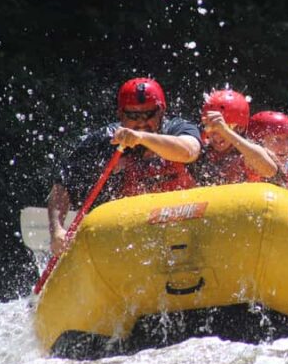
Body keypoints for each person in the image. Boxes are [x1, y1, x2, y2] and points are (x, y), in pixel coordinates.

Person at [48, 77, 202, 255]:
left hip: (185, 222)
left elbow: (189, 151)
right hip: (132, 234)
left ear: (161, 112)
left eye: (149, 114)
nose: (142, 123)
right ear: (120, 115)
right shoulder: (105, 140)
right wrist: (57, 229)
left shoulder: (178, 128)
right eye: (133, 116)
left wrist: (141, 138)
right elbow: (63, 186)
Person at [191, 89, 277, 185]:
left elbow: (270, 171)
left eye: (227, 126)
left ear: (240, 128)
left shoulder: (247, 154)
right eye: (211, 127)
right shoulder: (202, 150)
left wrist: (225, 131)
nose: (216, 136)